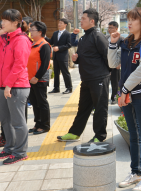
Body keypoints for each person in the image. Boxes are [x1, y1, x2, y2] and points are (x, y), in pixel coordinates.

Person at [107, 8, 141, 190]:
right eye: (128, 19)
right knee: (133, 136)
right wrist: (113, 43)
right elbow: (113, 64)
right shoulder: (125, 42)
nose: (129, 23)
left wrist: (125, 89)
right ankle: (135, 172)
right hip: (126, 95)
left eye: (133, 20)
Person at [0, 9, 33, 165]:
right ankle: (10, 147)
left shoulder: (21, 40)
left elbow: (20, 65)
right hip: (2, 86)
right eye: (2, 20)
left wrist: (8, 86)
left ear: (15, 22)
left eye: (5, 20)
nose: (2, 23)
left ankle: (20, 152)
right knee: (5, 120)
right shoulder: (4, 39)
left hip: (16, 87)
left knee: (18, 122)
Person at [57, 8, 110, 142]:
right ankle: (74, 133)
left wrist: (105, 75)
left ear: (92, 21)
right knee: (83, 108)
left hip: (98, 78)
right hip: (86, 78)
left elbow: (108, 57)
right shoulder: (84, 37)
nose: (81, 21)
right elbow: (87, 56)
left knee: (100, 108)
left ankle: (100, 136)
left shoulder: (98, 36)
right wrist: (77, 58)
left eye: (83, 19)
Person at [28, 21, 52, 135]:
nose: (30, 32)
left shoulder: (44, 45)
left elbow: (45, 64)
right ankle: (38, 123)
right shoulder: (33, 44)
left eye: (33, 30)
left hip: (39, 79)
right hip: (30, 79)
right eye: (30, 30)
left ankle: (45, 125)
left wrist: (36, 77)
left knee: (42, 102)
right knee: (34, 102)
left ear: (40, 32)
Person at [46, 18, 72, 94]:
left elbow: (69, 45)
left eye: (61, 23)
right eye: (59, 23)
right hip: (56, 56)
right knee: (56, 73)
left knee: (65, 73)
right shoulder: (55, 33)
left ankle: (69, 88)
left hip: (63, 56)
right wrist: (45, 37)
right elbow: (51, 42)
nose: (59, 24)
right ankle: (56, 88)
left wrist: (59, 48)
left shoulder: (68, 34)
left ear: (65, 25)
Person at [106, 21, 122, 104]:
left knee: (115, 82)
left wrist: (119, 64)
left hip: (116, 64)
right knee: (105, 82)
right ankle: (104, 97)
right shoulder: (105, 38)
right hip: (106, 64)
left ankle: (114, 97)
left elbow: (123, 52)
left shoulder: (121, 39)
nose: (109, 29)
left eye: (111, 27)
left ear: (116, 28)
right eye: (108, 27)